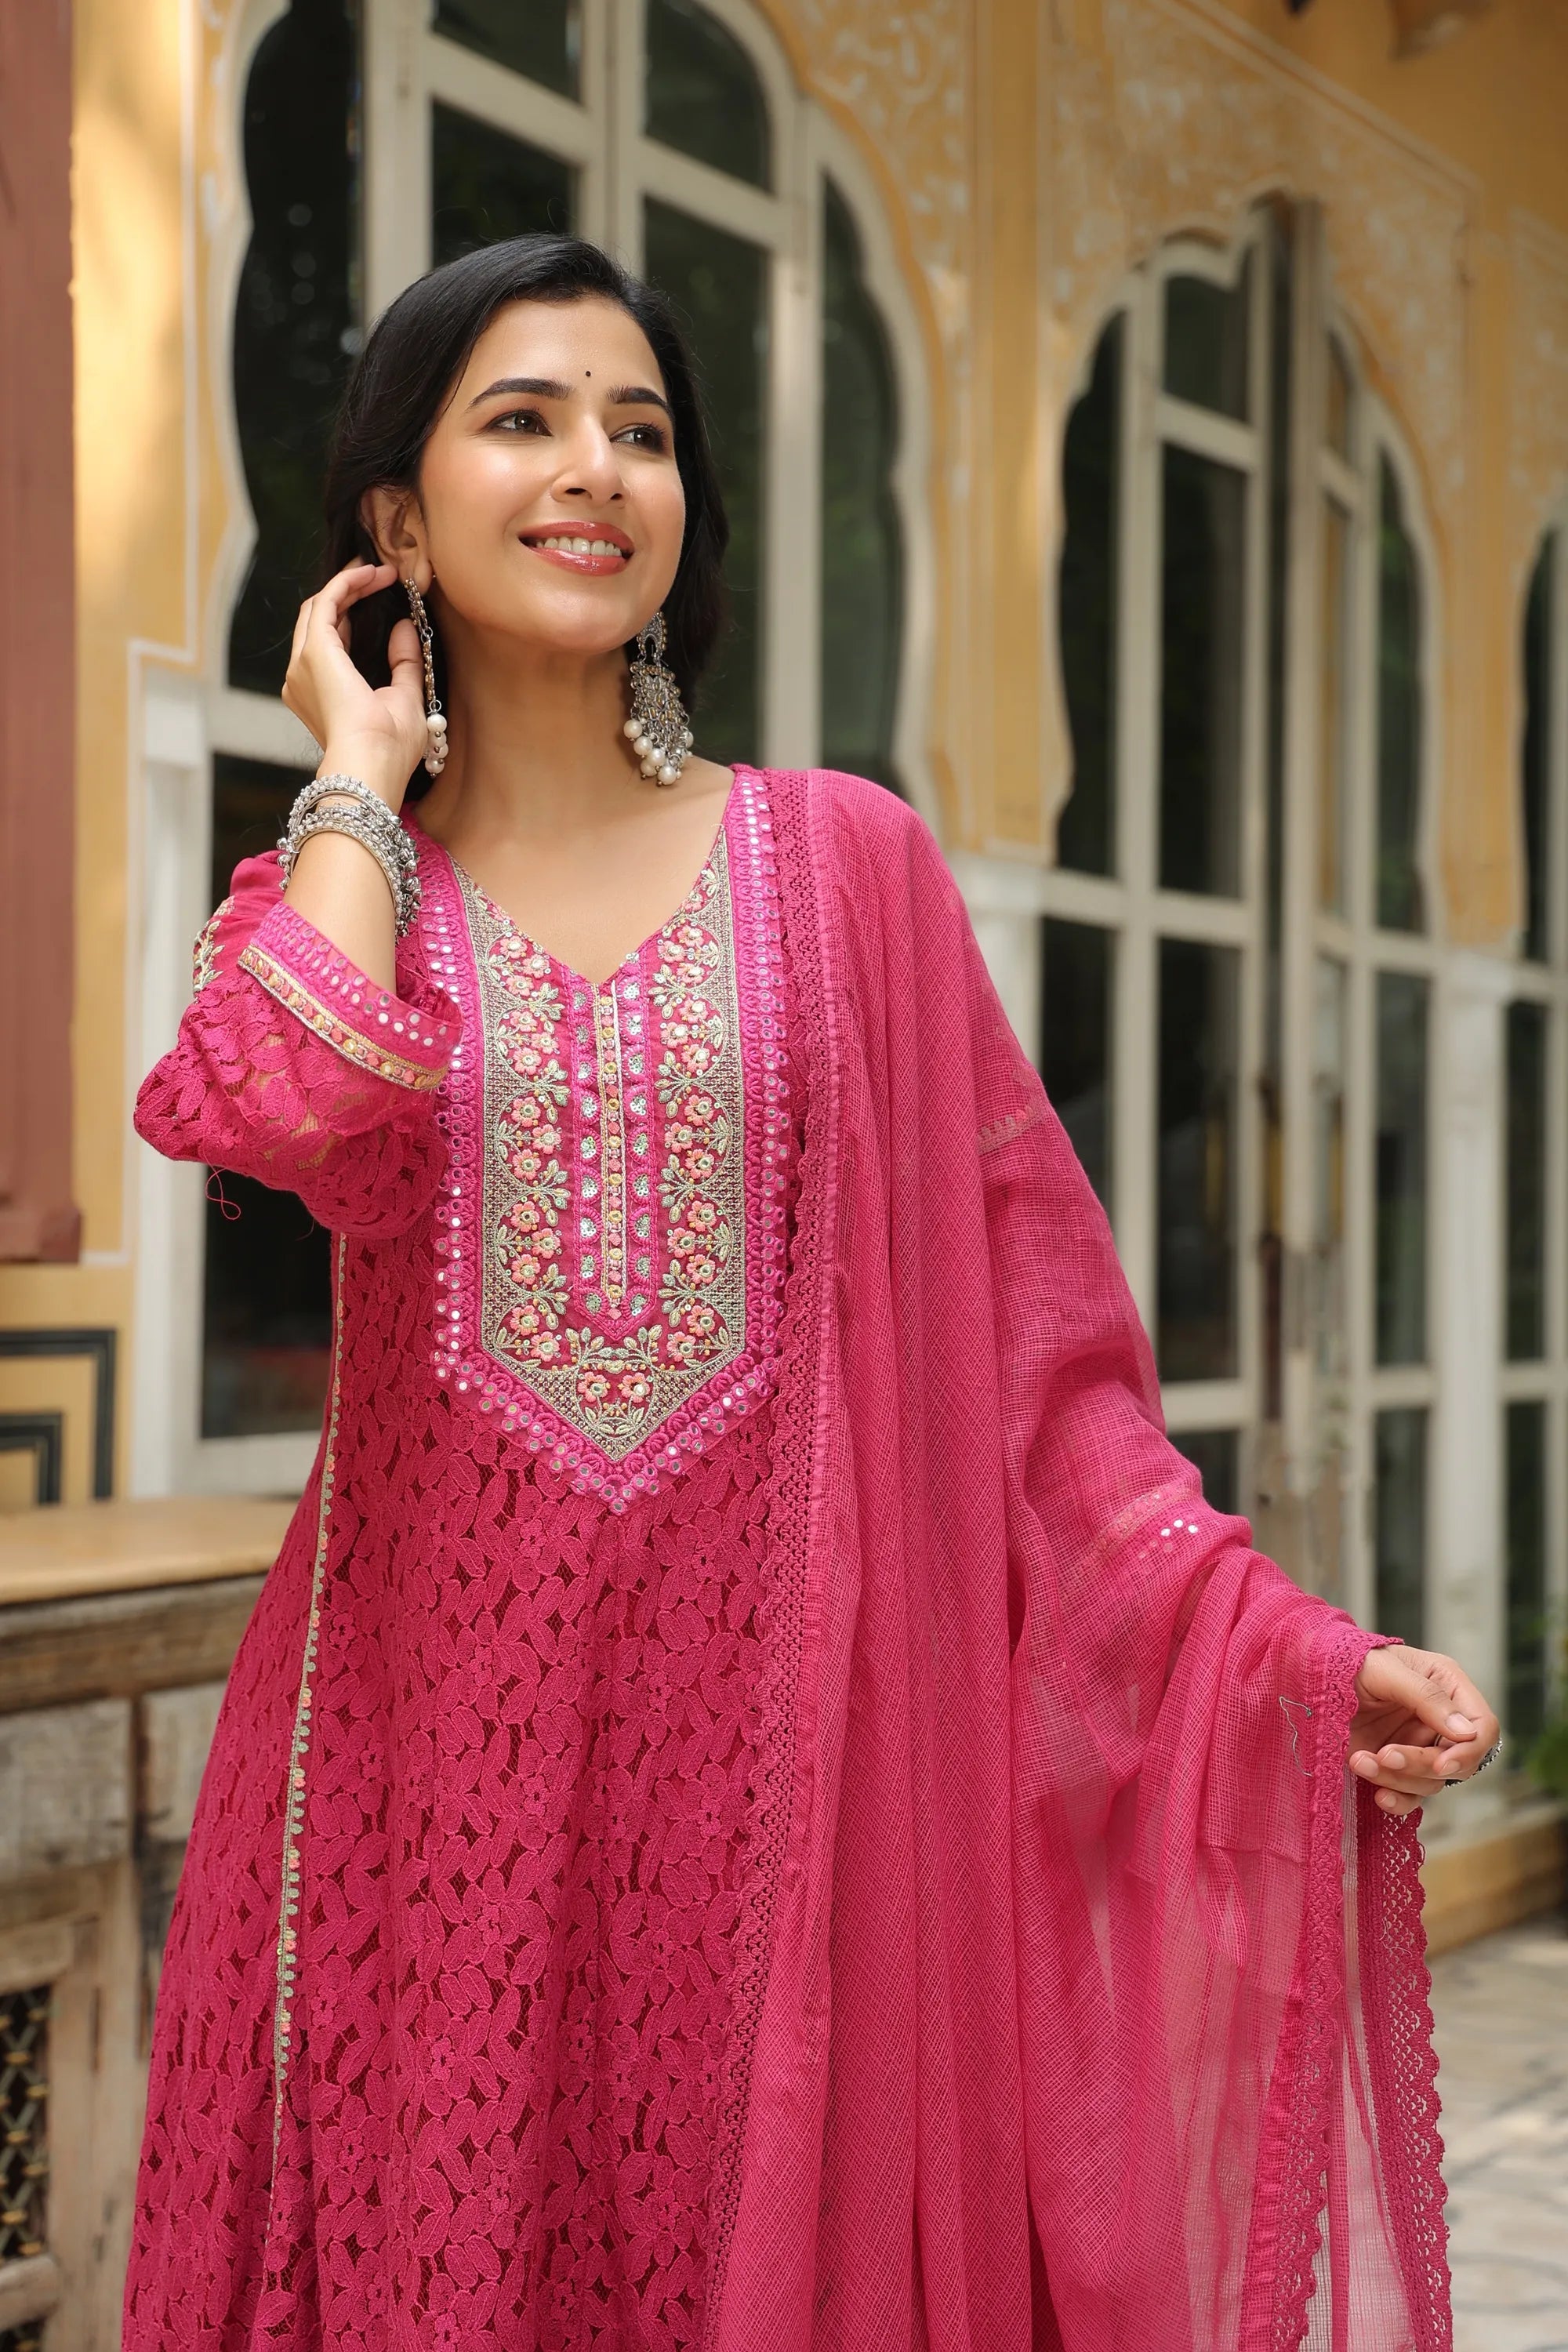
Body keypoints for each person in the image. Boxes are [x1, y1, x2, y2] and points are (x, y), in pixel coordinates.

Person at [125, 234, 1493, 2352]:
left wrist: (1294, 1653)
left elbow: (1046, 1376)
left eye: (640, 429)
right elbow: (274, 1104)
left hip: (796, 1791)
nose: (595, 469)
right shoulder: (339, 891)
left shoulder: (847, 867)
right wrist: (356, 776)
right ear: (394, 513)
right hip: (418, 1785)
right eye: (522, 420)